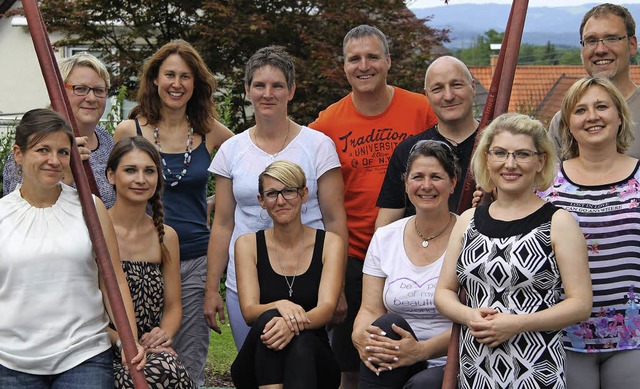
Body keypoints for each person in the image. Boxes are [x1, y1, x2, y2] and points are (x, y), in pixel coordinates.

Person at [309, 24, 438, 387]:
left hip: (416, 251)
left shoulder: (421, 110)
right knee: (353, 361)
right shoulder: (327, 123)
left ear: (388, 62)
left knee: (420, 350)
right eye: (355, 59)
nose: (363, 66)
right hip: (354, 254)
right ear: (344, 66)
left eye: (372, 57)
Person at [205, 45, 348, 350]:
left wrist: (340, 289)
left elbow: (334, 219)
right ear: (247, 90)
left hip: (312, 282)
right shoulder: (232, 150)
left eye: (277, 86)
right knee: (256, 367)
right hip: (248, 284)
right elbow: (222, 223)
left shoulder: (318, 146)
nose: (267, 94)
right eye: (259, 85)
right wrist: (210, 288)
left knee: (307, 368)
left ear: (291, 91)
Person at [435, 113, 592, 388]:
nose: (510, 164)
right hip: (477, 370)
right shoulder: (467, 221)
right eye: (500, 153)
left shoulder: (559, 222)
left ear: (540, 161)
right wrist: (468, 315)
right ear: (487, 158)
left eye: (522, 154)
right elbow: (443, 293)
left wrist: (516, 324)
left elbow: (580, 305)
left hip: (536, 371)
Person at [114, 39, 234, 387]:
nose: (176, 84)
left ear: (195, 84)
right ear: (155, 79)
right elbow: (113, 185)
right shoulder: (129, 129)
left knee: (188, 359)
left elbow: (248, 158)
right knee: (136, 357)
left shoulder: (209, 130)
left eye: (185, 76)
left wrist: (214, 206)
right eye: (169, 74)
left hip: (194, 259)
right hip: (143, 260)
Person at [0, 108, 144, 387]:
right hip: (11, 360)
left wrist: (130, 339)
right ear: (18, 153)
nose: (54, 161)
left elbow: (112, 278)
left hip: (83, 354)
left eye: (63, 152)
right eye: (43, 150)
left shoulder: (91, 208)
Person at [538, 76, 640, 388]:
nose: (592, 116)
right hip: (565, 339)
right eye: (580, 110)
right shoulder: (544, 185)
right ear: (567, 123)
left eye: (601, 107)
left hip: (633, 340)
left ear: (619, 116)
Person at [230, 160, 344, 388]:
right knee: (268, 319)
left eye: (289, 191)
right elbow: (250, 312)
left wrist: (289, 324)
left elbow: (327, 309)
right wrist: (281, 304)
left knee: (300, 343)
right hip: (257, 362)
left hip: (314, 359)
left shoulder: (330, 243)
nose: (281, 201)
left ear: (304, 194)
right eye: (272, 194)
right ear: (261, 201)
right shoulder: (247, 244)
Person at [353, 140, 456, 388]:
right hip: (396, 354)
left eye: (436, 177)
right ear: (406, 183)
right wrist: (361, 336)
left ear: (453, 183)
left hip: (450, 359)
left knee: (423, 385)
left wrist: (420, 350)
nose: (426, 186)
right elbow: (369, 309)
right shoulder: (385, 236)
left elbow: (473, 321)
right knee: (386, 325)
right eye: (418, 176)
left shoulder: (470, 236)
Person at [106, 136, 196, 388]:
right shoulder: (96, 231)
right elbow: (88, 313)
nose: (140, 179)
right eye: (130, 170)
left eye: (149, 171)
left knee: (166, 368)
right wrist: (125, 341)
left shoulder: (165, 236)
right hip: (107, 344)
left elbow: (173, 306)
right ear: (111, 175)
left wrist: (163, 334)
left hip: (151, 348)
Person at [375, 56, 478, 228]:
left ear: (473, 87)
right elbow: (386, 224)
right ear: (427, 96)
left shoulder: (496, 147)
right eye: (437, 89)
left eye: (456, 85)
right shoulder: (408, 152)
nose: (449, 96)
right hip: (422, 252)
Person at [3, 52, 116, 208]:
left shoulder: (107, 141)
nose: (91, 98)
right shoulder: (33, 144)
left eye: (98, 90)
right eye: (80, 89)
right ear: (58, 92)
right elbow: (19, 209)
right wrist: (64, 171)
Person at [549, 3, 640, 158]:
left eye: (611, 39)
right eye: (591, 41)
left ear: (632, 45)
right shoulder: (563, 121)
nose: (600, 50)